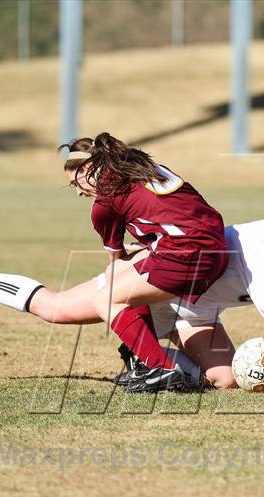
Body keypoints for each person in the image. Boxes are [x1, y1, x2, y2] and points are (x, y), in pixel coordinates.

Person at [0, 188, 264, 390]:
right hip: (153, 281)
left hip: (195, 312)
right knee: (53, 309)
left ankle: (149, 360)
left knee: (227, 380)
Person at [61, 132, 229, 391]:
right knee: (130, 278)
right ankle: (146, 358)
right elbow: (179, 216)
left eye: (75, 183)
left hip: (185, 255)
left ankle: (156, 365)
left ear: (88, 168)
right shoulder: (150, 169)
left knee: (107, 297)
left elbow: (115, 262)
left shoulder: (105, 199)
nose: (79, 193)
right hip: (218, 248)